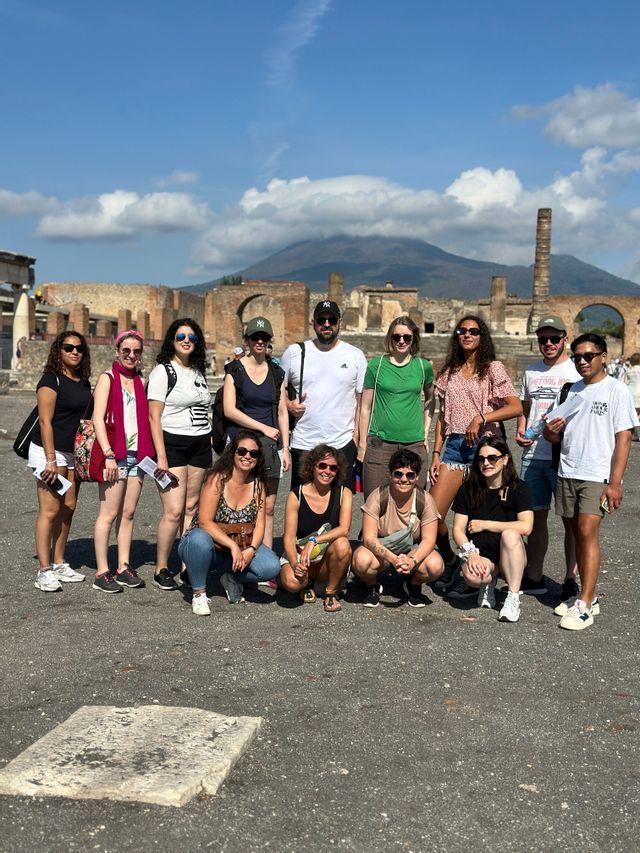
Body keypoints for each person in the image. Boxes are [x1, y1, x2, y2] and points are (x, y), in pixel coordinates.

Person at [544, 333, 639, 630]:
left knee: (587, 531)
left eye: (588, 356)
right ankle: (589, 595)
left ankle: (585, 602)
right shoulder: (570, 391)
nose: (582, 362)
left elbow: (624, 438)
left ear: (603, 357)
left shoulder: (616, 390)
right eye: (577, 357)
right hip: (568, 470)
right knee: (573, 531)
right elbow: (554, 435)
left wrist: (615, 482)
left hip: (597, 473)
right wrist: (550, 433)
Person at [428, 316, 522, 598]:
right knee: (431, 516)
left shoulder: (493, 368)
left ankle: (477, 576)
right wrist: (436, 453)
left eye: (473, 331)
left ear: (482, 336)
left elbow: (515, 406)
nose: (467, 335)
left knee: (479, 516)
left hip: (486, 447)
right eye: (462, 331)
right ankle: (451, 560)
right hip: (455, 446)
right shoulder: (450, 371)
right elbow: (442, 418)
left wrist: (481, 417)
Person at [178, 430, 281, 615]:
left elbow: (260, 525)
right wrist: (233, 546)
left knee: (271, 566)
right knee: (199, 540)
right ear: (233, 453)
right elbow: (205, 522)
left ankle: (231, 577)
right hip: (207, 545)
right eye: (242, 451)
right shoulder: (217, 478)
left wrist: (252, 549)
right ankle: (199, 593)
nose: (247, 456)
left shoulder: (258, 484)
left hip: (238, 547)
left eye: (253, 453)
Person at [515, 315, 580, 600]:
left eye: (554, 338)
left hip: (564, 456)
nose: (549, 344)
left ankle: (570, 577)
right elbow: (525, 406)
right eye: (543, 339)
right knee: (535, 518)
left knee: (572, 520)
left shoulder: (576, 370)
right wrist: (520, 428)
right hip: (533, 454)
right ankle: (534, 574)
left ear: (565, 338)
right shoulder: (530, 372)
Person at [147, 318, 212, 591]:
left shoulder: (198, 371)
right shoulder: (163, 371)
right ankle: (161, 567)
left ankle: (187, 565)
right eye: (181, 336)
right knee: (173, 511)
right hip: (172, 446)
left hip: (199, 445)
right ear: (171, 340)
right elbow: (153, 416)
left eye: (192, 337)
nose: (186, 340)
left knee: (191, 509)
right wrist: (161, 457)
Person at [91, 330, 156, 593]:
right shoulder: (108, 378)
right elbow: (97, 419)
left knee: (128, 514)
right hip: (114, 455)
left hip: (137, 455)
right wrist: (107, 454)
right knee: (108, 514)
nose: (131, 355)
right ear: (118, 351)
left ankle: (123, 566)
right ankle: (101, 572)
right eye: (126, 350)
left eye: (136, 351)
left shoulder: (139, 381)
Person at [282, 299, 367, 492]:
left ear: (340, 322)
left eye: (332, 320)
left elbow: (361, 402)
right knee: (302, 503)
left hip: (342, 444)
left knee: (340, 506)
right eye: (321, 320)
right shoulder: (294, 353)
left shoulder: (355, 356)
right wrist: (288, 404)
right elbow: (276, 391)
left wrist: (356, 440)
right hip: (304, 443)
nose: (326, 324)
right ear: (313, 322)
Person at [28, 331, 92, 591]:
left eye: (79, 348)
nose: (74, 352)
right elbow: (45, 422)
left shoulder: (83, 381)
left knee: (69, 506)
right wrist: (51, 460)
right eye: (68, 347)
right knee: (50, 510)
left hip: (71, 452)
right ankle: (43, 570)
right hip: (47, 451)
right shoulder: (50, 380)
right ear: (59, 351)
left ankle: (59, 562)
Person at [223, 316, 290, 548]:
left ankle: (266, 558)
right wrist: (262, 427)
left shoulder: (276, 372)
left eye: (264, 337)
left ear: (269, 341)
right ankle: (238, 552)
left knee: (268, 506)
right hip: (243, 446)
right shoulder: (234, 370)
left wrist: (287, 449)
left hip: (272, 447)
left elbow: (282, 412)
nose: (259, 341)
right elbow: (229, 410)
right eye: (255, 337)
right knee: (241, 502)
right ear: (247, 340)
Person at [451, 436, 534, 622]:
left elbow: (526, 527)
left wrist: (485, 524)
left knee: (511, 534)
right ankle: (489, 581)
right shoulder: (468, 489)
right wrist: (471, 553)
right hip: (481, 553)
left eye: (492, 458)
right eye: (481, 459)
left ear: (505, 459)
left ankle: (512, 597)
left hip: (510, 554)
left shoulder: (519, 488)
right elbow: (457, 529)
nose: (486, 463)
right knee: (472, 577)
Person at [352, 448, 444, 608]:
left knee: (435, 566)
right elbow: (369, 539)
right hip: (382, 548)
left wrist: (412, 560)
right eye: (398, 474)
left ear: (417, 477)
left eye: (410, 475)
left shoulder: (425, 499)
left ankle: (413, 584)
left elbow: (429, 540)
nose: (404, 479)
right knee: (361, 561)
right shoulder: (378, 496)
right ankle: (372, 585)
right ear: (390, 474)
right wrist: (394, 560)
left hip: (411, 549)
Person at [358, 316, 435, 498]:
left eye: (406, 337)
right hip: (380, 443)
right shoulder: (376, 366)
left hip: (414, 444)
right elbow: (365, 408)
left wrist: (425, 433)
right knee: (374, 502)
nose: (401, 341)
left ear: (413, 339)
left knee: (414, 504)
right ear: (390, 338)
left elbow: (431, 400)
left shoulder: (424, 367)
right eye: (396, 337)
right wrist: (362, 444)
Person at [278, 444, 353, 612]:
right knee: (292, 583)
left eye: (333, 468)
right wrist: (294, 562)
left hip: (324, 556)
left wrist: (314, 540)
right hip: (300, 553)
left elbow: (344, 529)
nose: (327, 471)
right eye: (322, 465)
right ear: (312, 466)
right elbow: (289, 537)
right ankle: (304, 583)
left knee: (343, 544)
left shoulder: (343, 493)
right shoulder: (296, 494)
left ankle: (330, 592)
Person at [626, 352, 640, 440]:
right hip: (639, 391)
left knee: (633, 413)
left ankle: (636, 434)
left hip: (630, 391)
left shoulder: (628, 369)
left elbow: (626, 381)